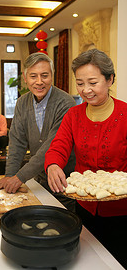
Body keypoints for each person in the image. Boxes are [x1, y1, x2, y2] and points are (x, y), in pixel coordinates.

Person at [44, 49, 127, 269]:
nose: (86, 90)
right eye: (80, 83)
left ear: (110, 80)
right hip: (84, 206)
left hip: (121, 211)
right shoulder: (74, 114)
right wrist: (53, 164)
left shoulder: (125, 114)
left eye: (92, 82)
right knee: (87, 261)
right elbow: (59, 146)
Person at [0, 52, 76, 209]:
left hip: (65, 182)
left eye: (44, 75)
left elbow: (51, 146)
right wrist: (10, 176)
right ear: (25, 77)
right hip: (39, 181)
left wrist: (19, 177)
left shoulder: (66, 103)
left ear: (52, 75)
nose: (39, 82)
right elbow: (17, 143)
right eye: (33, 76)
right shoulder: (22, 102)